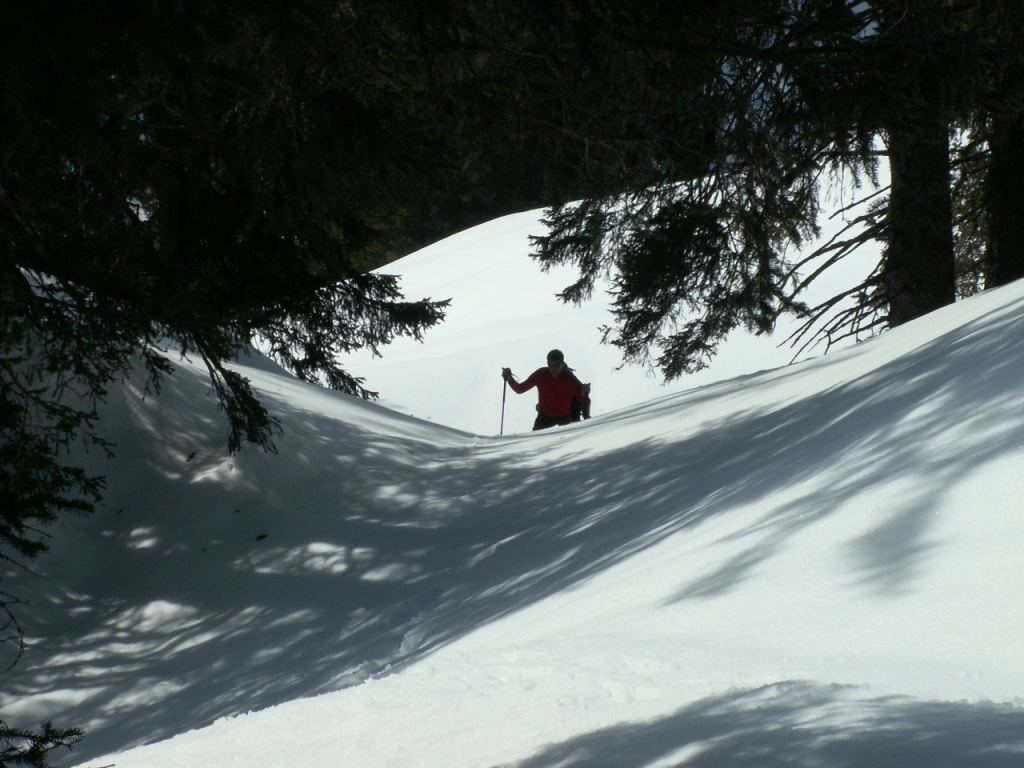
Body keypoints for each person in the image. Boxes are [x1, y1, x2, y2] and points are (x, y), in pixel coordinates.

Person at [502, 349, 591, 431]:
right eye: (550, 365)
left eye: (557, 365)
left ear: (562, 364)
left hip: (565, 417)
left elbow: (585, 400)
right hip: (544, 416)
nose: (553, 368)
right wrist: (509, 378)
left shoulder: (569, 378)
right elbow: (520, 389)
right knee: (534, 442)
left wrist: (584, 394)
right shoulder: (541, 375)